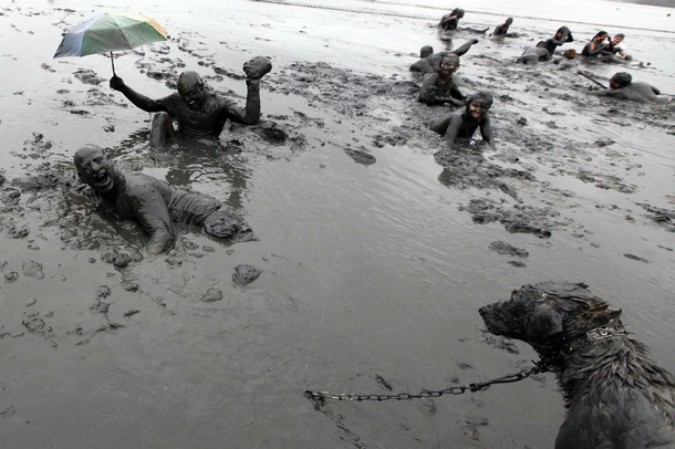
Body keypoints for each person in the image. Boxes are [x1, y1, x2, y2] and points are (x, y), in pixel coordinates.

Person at [74, 145, 253, 255]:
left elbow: (164, 234)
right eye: (87, 167)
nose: (95, 168)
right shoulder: (95, 190)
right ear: (82, 177)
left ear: (110, 160)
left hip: (216, 221)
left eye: (98, 161)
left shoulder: (136, 188)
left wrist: (148, 263)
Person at [109, 56, 272, 147]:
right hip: (179, 139)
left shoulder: (220, 103)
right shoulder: (176, 100)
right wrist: (123, 88)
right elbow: (150, 105)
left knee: (212, 145)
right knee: (159, 116)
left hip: (206, 144)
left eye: (191, 94)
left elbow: (250, 119)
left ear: (202, 86)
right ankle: (155, 156)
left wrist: (253, 83)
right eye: (184, 95)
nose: (188, 100)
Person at [428, 91, 494, 147]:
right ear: (468, 105)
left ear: (488, 109)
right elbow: (447, 142)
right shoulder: (458, 117)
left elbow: (489, 139)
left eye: (483, 107)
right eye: (475, 106)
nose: (478, 110)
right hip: (430, 128)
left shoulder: (484, 116)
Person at [589, 72, 672, 104]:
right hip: (666, 99)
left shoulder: (617, 92)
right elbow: (658, 92)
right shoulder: (642, 83)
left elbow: (590, 94)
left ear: (617, 84)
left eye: (611, 80)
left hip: (654, 107)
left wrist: (593, 89)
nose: (609, 80)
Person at [409, 39, 479, 73]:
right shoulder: (440, 55)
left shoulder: (415, 65)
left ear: (421, 55)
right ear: (432, 52)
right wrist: (471, 41)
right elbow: (460, 51)